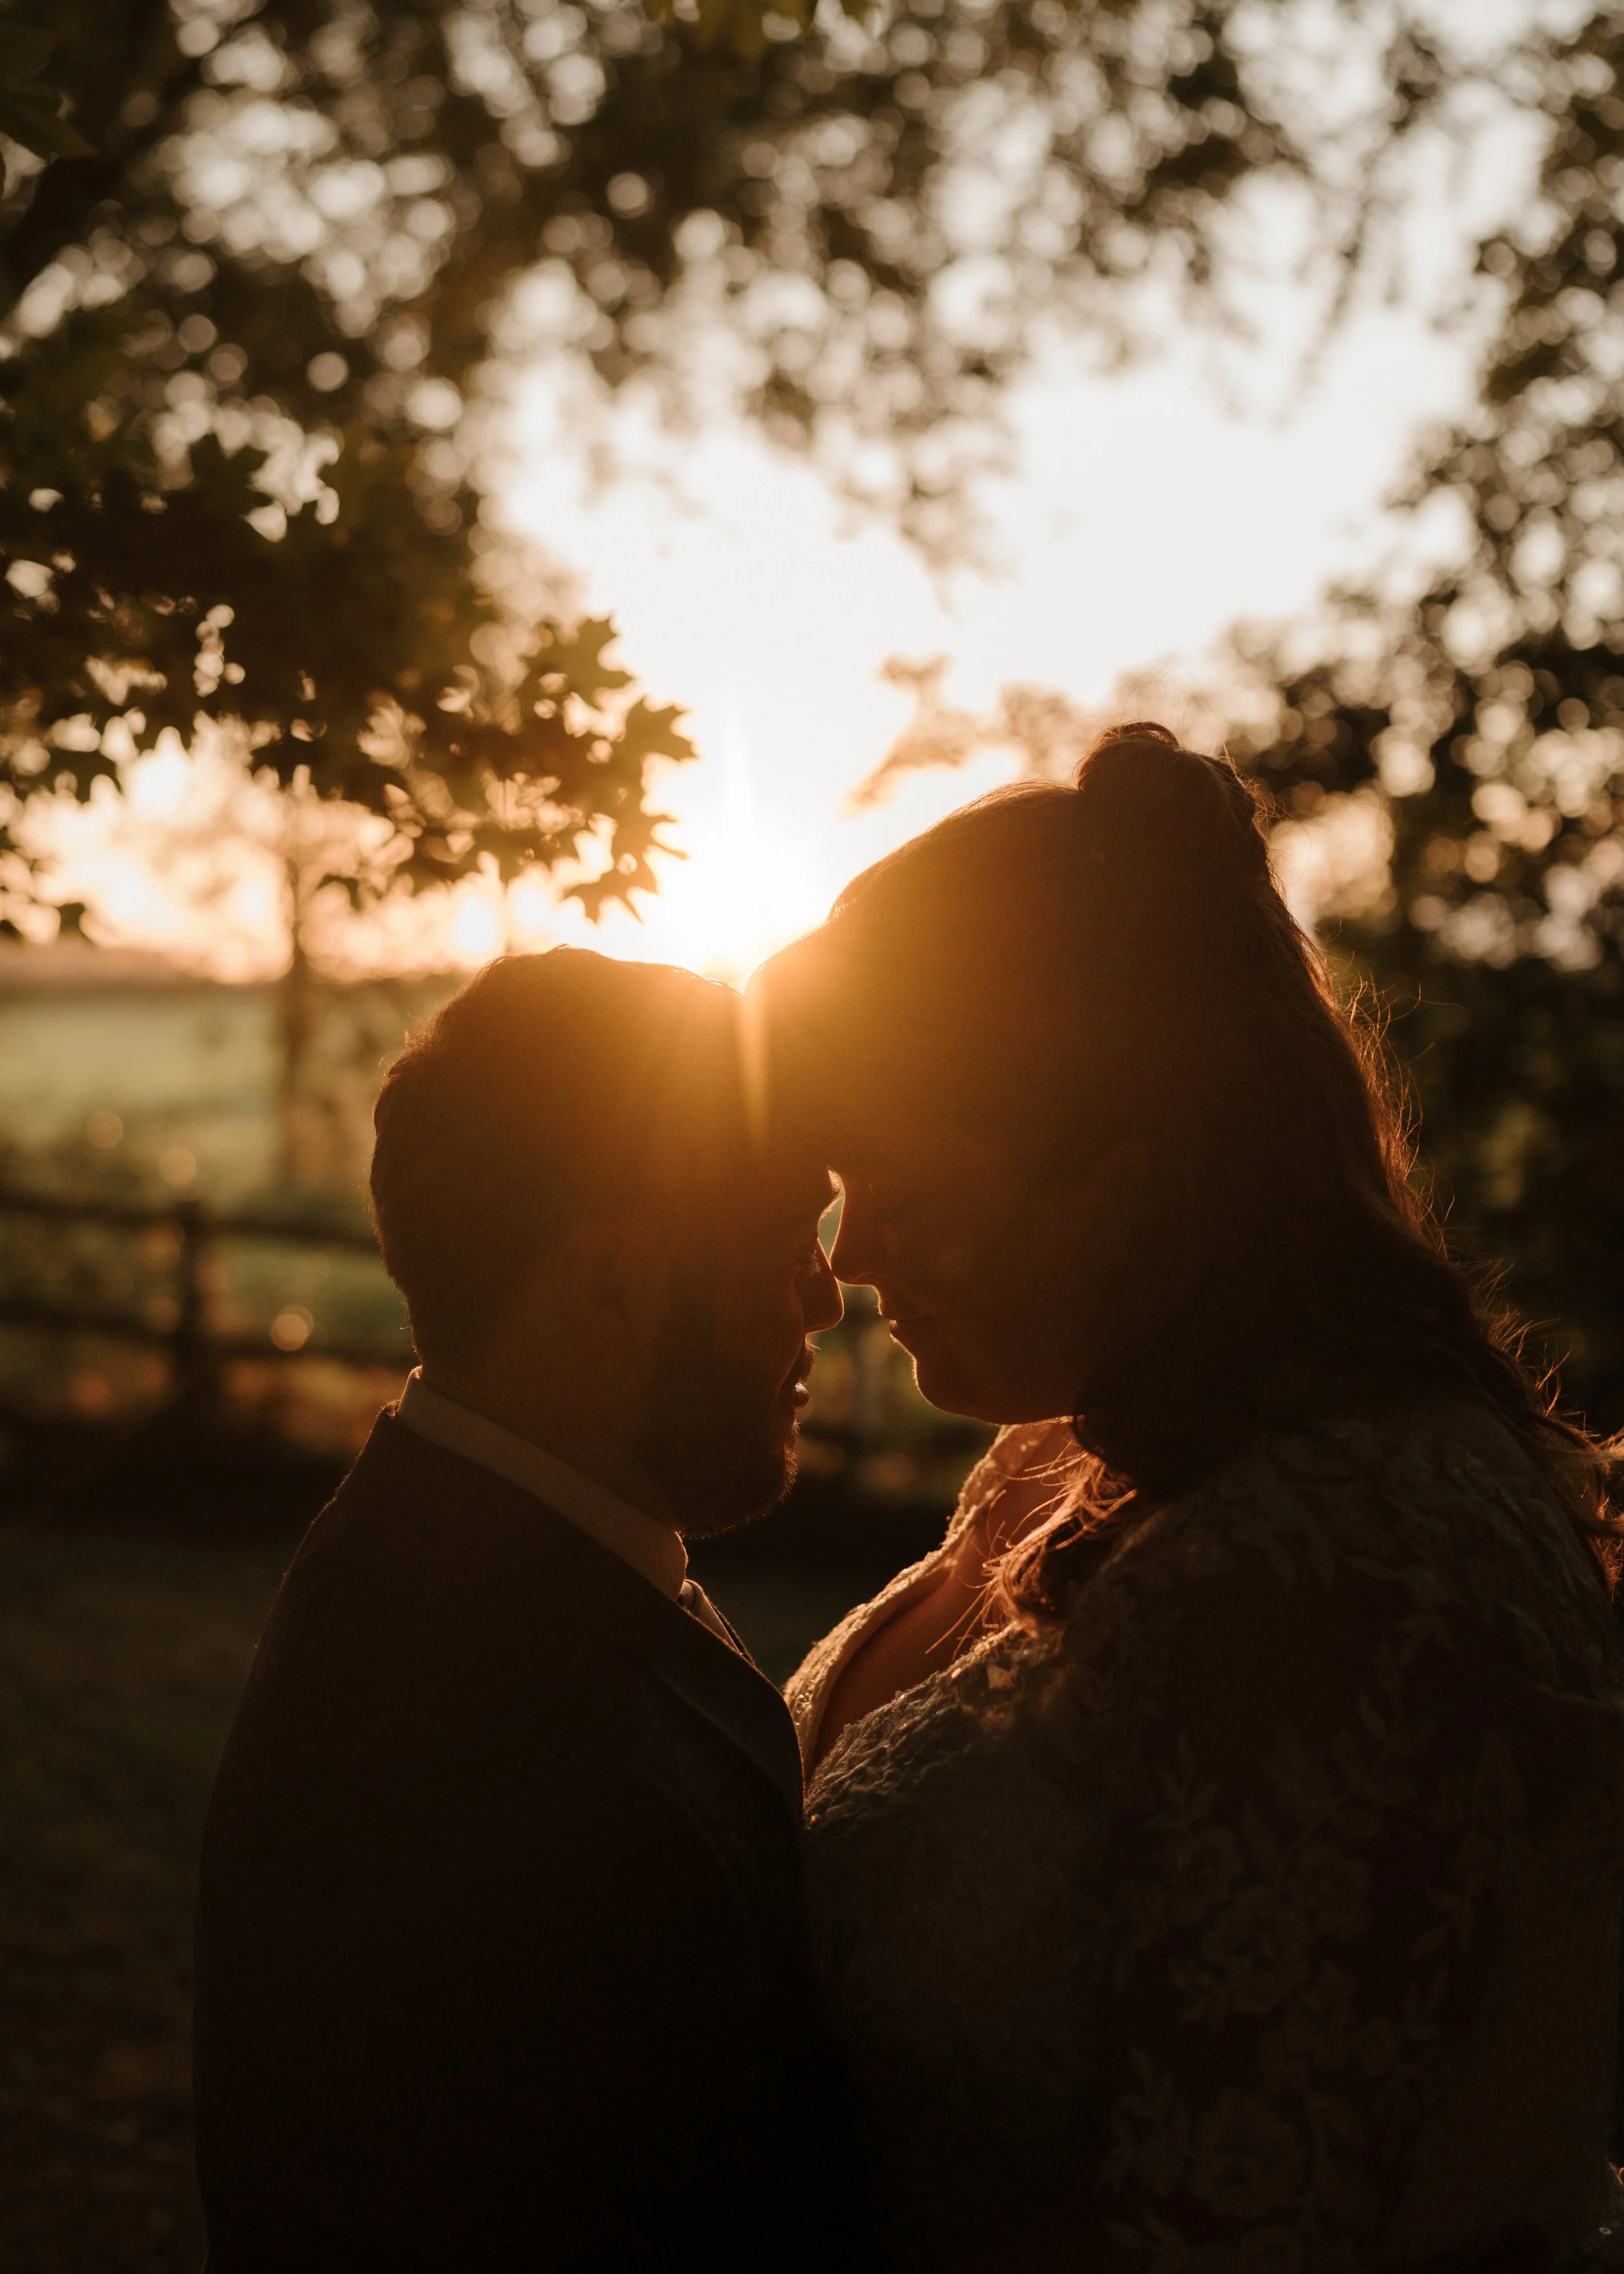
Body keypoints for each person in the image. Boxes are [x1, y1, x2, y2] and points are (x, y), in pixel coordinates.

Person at [755, 725, 1624, 2273]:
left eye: (898, 1187)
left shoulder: (1352, 1574)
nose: (849, 1257)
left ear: (1118, 1167)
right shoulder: (1074, 1456)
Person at [193, 948, 858, 2273]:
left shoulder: (470, 1555)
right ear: (610, 1280)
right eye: (785, 1241)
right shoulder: (526, 1767)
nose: (827, 1297)